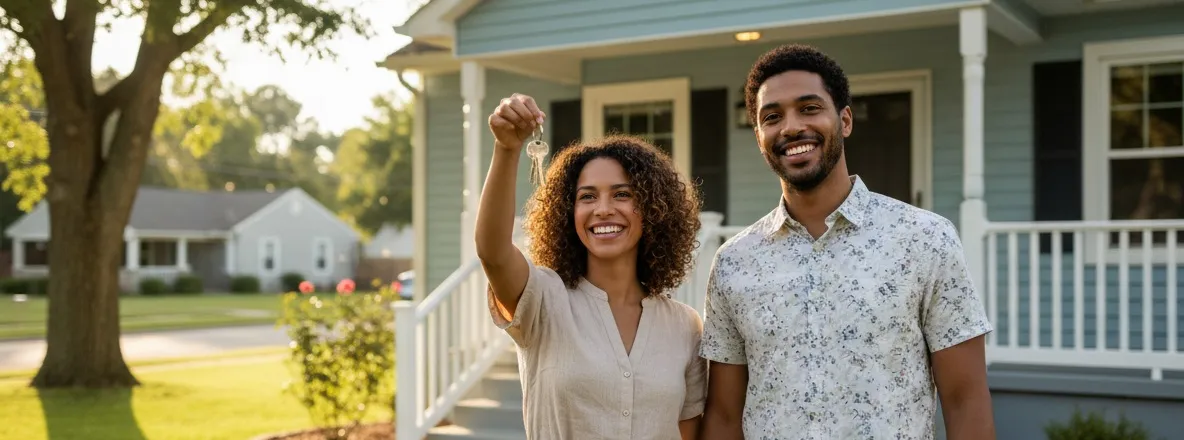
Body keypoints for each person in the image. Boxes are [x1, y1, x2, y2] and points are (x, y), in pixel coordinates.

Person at [698, 44, 997, 439]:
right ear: (759, 136)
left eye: (809, 108)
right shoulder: (735, 263)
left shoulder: (925, 240)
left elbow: (966, 399)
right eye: (773, 116)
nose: (790, 127)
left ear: (845, 120)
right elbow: (722, 416)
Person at [476, 92, 708, 439]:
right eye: (587, 196)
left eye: (622, 194)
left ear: (654, 209)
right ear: (568, 214)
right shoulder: (544, 300)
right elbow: (492, 252)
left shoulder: (684, 326)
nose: (602, 209)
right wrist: (507, 149)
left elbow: (687, 432)